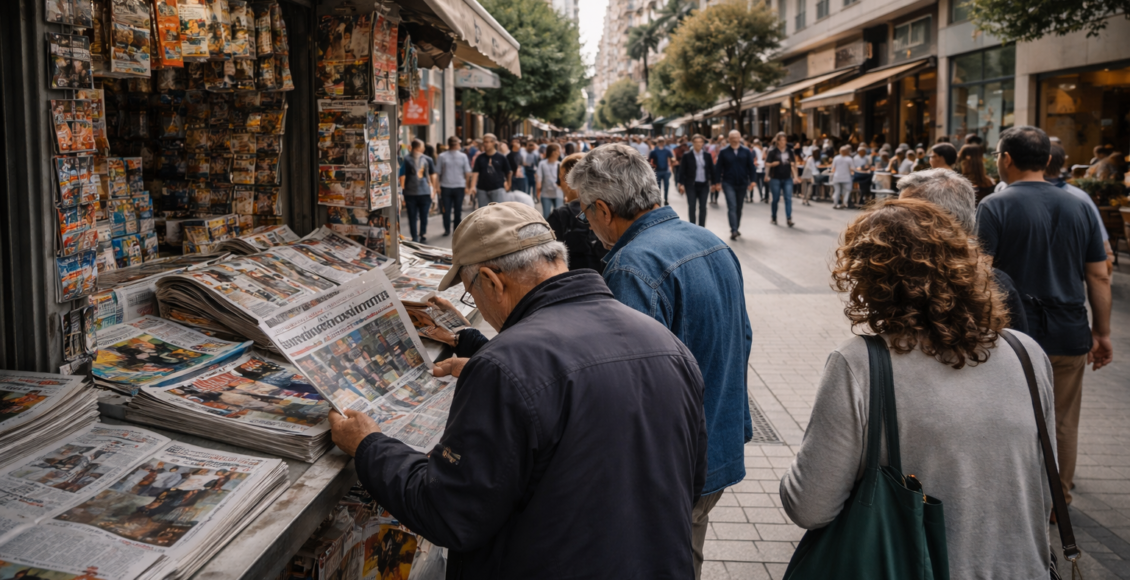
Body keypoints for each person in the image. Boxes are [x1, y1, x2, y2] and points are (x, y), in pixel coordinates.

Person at [328, 202, 707, 579]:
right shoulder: (668, 345)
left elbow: (450, 512)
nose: (475, 302)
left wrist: (369, 444)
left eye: (471, 292)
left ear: (493, 282)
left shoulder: (504, 367)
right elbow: (691, 480)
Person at [780, 197, 1058, 579]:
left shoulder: (860, 364)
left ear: (868, 280)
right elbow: (1044, 486)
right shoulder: (1026, 353)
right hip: (1024, 568)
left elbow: (809, 506)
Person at [569, 145, 752, 579]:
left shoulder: (633, 266)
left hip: (672, 466)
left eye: (584, 213)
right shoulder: (708, 241)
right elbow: (742, 336)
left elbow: (627, 386)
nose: (587, 225)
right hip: (716, 445)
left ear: (603, 209)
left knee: (662, 563)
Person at [977, 125, 1113, 508]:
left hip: (1013, 336)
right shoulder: (1081, 203)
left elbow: (979, 275)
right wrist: (1102, 333)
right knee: (1063, 420)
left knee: (1010, 416)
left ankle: (1013, 499)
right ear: (1049, 160)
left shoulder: (994, 206)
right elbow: (1099, 275)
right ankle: (1057, 499)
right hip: (1069, 330)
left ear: (1005, 159)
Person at [897, 168, 1028, 334]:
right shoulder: (895, 275)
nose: (893, 218)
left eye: (904, 212)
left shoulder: (995, 285)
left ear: (940, 220)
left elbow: (1016, 346)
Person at [1046, 144, 1115, 275]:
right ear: (1063, 162)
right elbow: (1102, 246)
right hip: (1069, 278)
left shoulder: (1010, 196)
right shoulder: (1080, 197)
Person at [548, 152, 608, 273]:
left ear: (570, 181)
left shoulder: (560, 216)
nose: (559, 185)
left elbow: (547, 261)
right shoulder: (607, 210)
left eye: (561, 178)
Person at [715, 130, 757, 237]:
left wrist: (753, 181)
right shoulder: (724, 152)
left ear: (739, 138)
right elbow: (718, 168)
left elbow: (751, 167)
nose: (734, 139)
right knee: (732, 206)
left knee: (739, 207)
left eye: (736, 137)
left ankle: (736, 227)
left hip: (742, 183)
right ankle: (733, 229)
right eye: (732, 137)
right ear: (728, 139)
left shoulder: (746, 151)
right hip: (728, 182)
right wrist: (717, 182)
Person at [398, 139, 436, 243]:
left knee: (412, 216)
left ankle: (414, 236)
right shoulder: (428, 159)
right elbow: (433, 176)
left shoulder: (404, 159)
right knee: (424, 215)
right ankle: (422, 234)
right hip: (425, 192)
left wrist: (402, 192)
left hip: (410, 193)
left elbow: (402, 176)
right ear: (419, 148)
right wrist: (434, 190)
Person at [436, 136, 472, 236]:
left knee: (455, 210)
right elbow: (438, 172)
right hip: (448, 186)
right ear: (456, 144)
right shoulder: (442, 156)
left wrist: (467, 186)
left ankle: (453, 230)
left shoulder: (462, 156)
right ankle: (450, 229)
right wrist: (437, 187)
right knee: (448, 210)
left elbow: (467, 173)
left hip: (457, 186)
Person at [678, 134, 715, 226]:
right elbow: (682, 170)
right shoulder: (687, 156)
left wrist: (714, 183)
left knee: (703, 207)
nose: (698, 144)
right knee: (692, 206)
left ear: (703, 143)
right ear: (693, 143)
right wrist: (681, 183)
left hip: (704, 185)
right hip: (691, 185)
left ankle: (702, 228)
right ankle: (693, 227)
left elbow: (712, 170)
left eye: (700, 142)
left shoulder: (707, 155)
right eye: (696, 142)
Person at [763, 132, 798, 227]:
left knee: (788, 198)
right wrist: (770, 167)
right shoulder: (772, 151)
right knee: (775, 199)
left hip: (787, 178)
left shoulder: (789, 151)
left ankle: (789, 218)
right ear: (777, 141)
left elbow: (793, 164)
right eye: (781, 140)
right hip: (775, 178)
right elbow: (766, 164)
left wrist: (795, 176)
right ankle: (774, 217)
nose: (783, 142)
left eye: (784, 140)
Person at [469, 133, 511, 208]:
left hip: (497, 188)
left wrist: (509, 184)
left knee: (498, 211)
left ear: (494, 143)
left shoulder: (501, 157)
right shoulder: (480, 158)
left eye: (489, 142)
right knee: (484, 211)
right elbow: (475, 172)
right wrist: (472, 186)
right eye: (485, 142)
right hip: (482, 189)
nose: (486, 144)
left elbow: (508, 171)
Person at [535, 143, 564, 218]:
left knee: (547, 216)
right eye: (558, 151)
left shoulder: (543, 164)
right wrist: (538, 193)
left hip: (554, 194)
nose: (560, 152)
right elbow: (539, 181)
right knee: (558, 216)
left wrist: (538, 195)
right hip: (550, 194)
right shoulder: (559, 164)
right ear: (554, 152)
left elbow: (539, 181)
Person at [648, 137, 675, 206]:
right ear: (658, 142)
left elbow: (672, 157)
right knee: (658, 187)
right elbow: (649, 160)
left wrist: (671, 167)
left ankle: (666, 199)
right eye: (660, 141)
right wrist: (652, 167)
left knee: (666, 186)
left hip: (666, 170)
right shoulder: (654, 151)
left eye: (662, 141)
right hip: (658, 171)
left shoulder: (667, 150)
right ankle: (658, 199)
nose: (661, 143)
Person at [830, 145, 854, 210]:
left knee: (837, 191)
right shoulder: (849, 159)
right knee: (847, 191)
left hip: (837, 177)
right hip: (846, 177)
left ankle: (835, 204)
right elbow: (852, 169)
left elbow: (833, 169)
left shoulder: (836, 158)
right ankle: (844, 203)